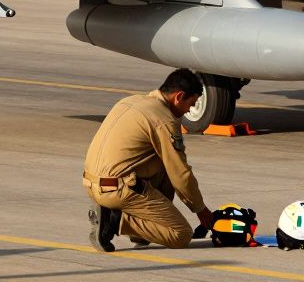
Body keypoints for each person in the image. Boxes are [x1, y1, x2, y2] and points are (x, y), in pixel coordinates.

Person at [83, 68, 215, 252]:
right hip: (117, 189)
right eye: (190, 104)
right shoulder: (164, 120)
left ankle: (139, 232)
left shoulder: (130, 101)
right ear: (179, 97)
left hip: (92, 182)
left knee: (162, 162)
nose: (189, 111)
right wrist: (201, 210)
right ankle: (114, 220)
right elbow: (180, 173)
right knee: (181, 234)